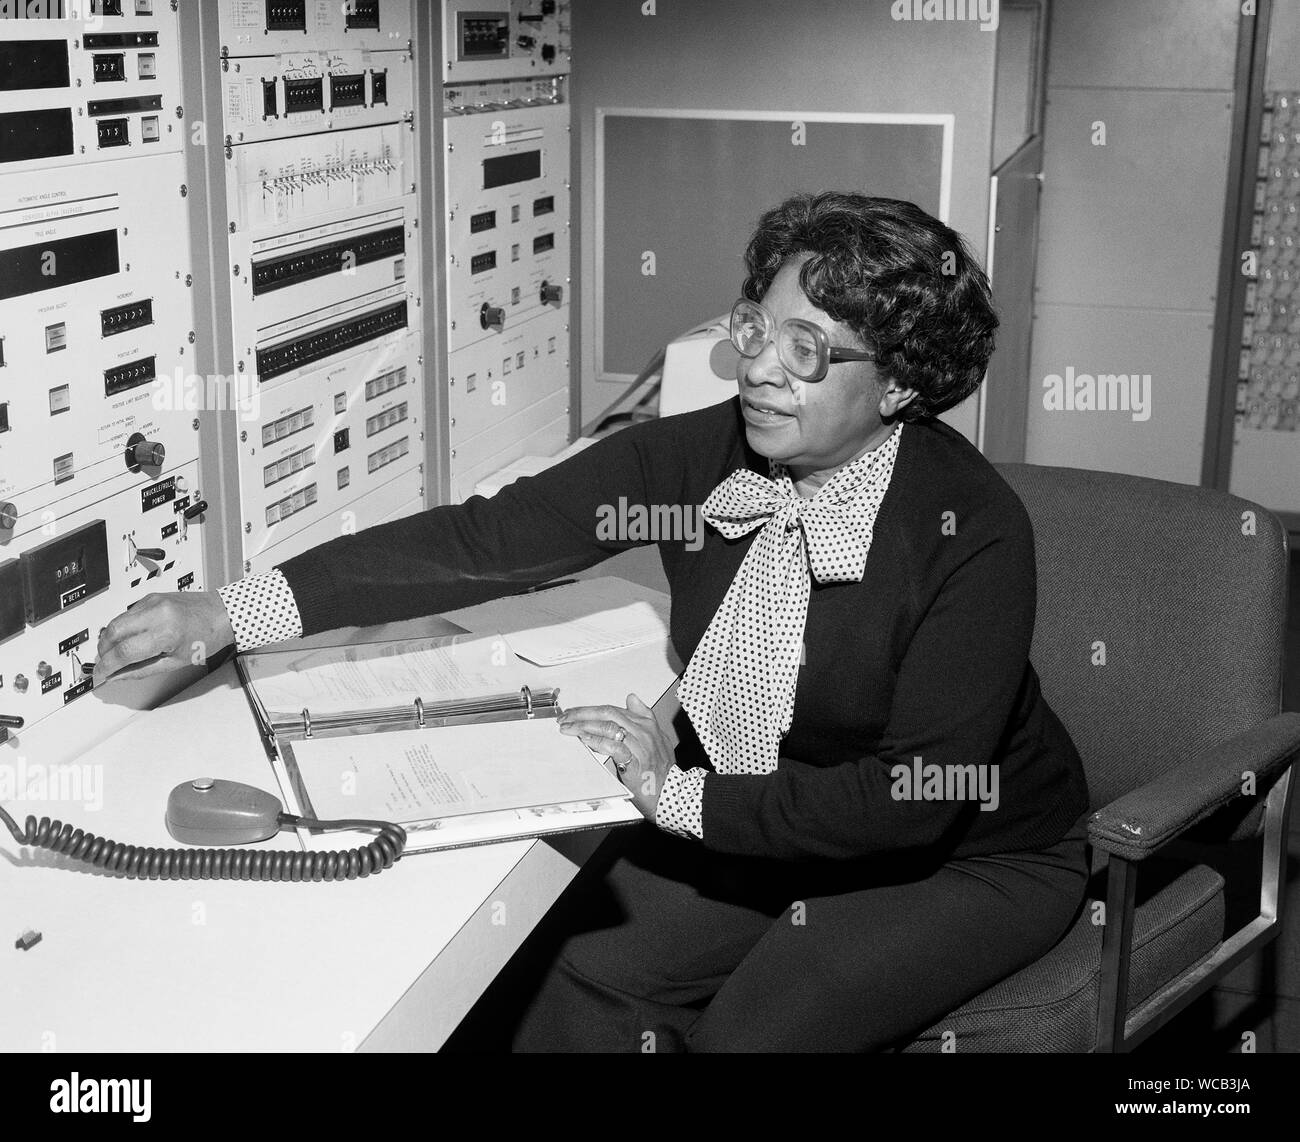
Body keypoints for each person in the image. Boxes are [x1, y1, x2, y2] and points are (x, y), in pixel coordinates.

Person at [93, 192, 1090, 1052]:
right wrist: (230, 607)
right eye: (757, 326)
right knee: (573, 967)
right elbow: (487, 540)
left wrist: (680, 798)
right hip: (770, 807)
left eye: (807, 351)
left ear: (901, 383)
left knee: (756, 1033)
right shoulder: (705, 459)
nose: (757, 369)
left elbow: (906, 798)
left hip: (965, 854)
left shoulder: (971, 531)